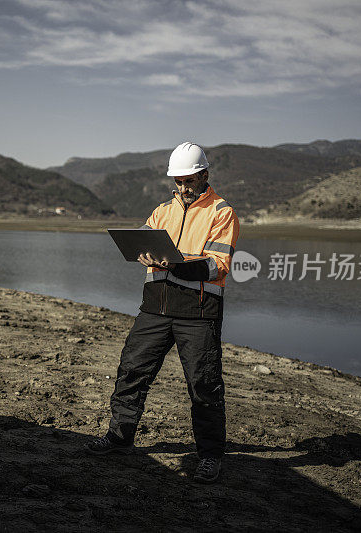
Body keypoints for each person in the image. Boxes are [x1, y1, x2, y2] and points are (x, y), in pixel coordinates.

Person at [86, 142, 240, 484]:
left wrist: (176, 264)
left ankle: (211, 455)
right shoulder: (161, 211)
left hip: (199, 312)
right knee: (132, 370)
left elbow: (218, 265)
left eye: (189, 180)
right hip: (154, 306)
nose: (183, 187)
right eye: (178, 180)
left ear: (204, 176)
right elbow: (142, 240)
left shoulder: (222, 212)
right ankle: (120, 437)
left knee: (204, 384)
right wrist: (143, 253)